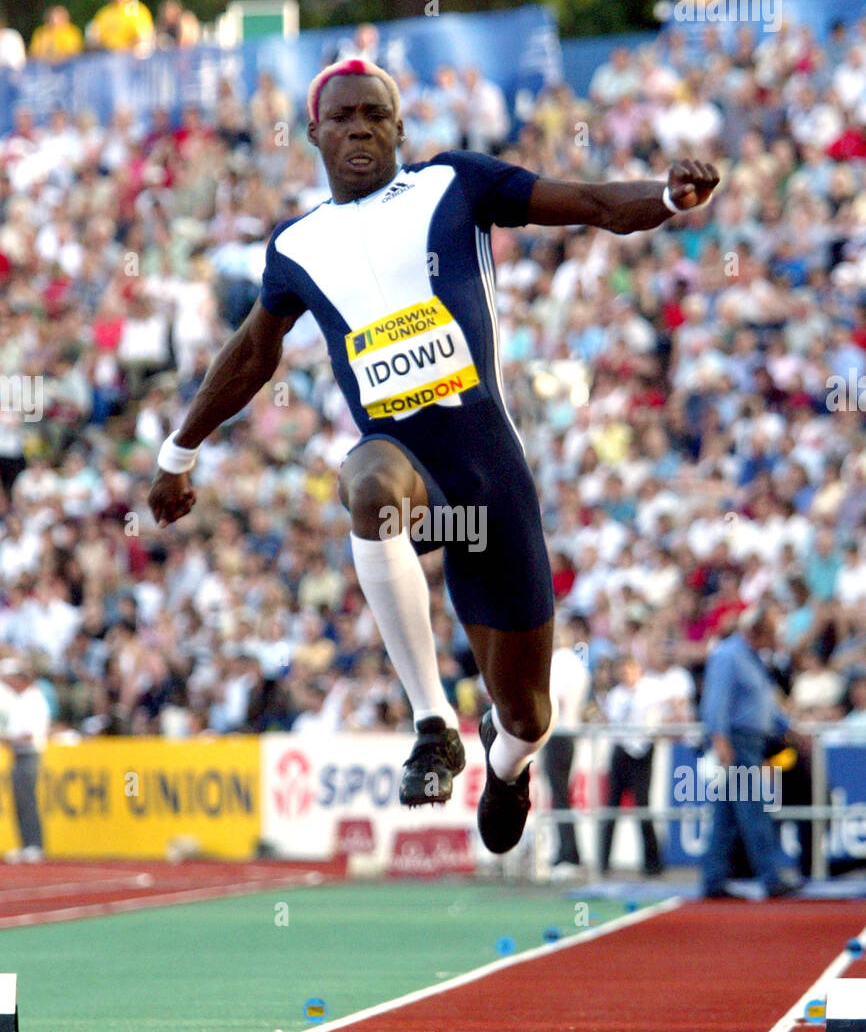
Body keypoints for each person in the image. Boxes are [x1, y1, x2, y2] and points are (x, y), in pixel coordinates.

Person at [148, 55, 719, 854]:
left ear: (399, 129)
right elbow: (251, 353)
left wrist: (664, 196)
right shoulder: (298, 246)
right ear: (313, 132)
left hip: (490, 482)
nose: (359, 128)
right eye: (342, 116)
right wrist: (178, 454)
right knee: (368, 482)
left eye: (374, 115)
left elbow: (590, 201)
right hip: (406, 468)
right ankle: (432, 724)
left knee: (529, 713)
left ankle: (507, 761)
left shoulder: (455, 185)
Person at [699, 605, 802, 899]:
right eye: (771, 632)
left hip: (750, 743)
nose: (776, 638)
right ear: (757, 631)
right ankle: (770, 878)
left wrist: (788, 727)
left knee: (726, 816)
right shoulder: (728, 655)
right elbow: (715, 700)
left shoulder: (753, 658)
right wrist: (719, 738)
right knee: (753, 811)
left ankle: (713, 879)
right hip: (738, 742)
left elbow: (763, 702)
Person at [599, 656, 664, 876]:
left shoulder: (651, 690)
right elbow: (612, 721)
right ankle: (603, 862)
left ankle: (652, 863)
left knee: (643, 806)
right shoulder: (616, 695)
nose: (626, 675)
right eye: (622, 671)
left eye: (629, 670)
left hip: (643, 750)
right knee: (611, 806)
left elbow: (657, 718)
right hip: (621, 752)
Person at [543, 614, 591, 875]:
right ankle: (568, 851)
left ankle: (567, 853)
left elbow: (555, 698)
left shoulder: (559, 664)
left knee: (559, 796)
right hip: (570, 730)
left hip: (558, 731)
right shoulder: (578, 664)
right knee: (563, 795)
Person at [0, 659, 51, 863]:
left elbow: (29, 735)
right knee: (20, 802)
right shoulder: (20, 699)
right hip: (19, 755)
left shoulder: (34, 700)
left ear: (20, 678)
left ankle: (35, 845)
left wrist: (5, 737)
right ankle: (26, 844)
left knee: (27, 801)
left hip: (28, 755)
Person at [87, 0, 154, 53]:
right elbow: (93, 38)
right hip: (107, 55)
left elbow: (143, 36)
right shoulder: (104, 13)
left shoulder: (137, 10)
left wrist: (124, 48)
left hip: (132, 54)